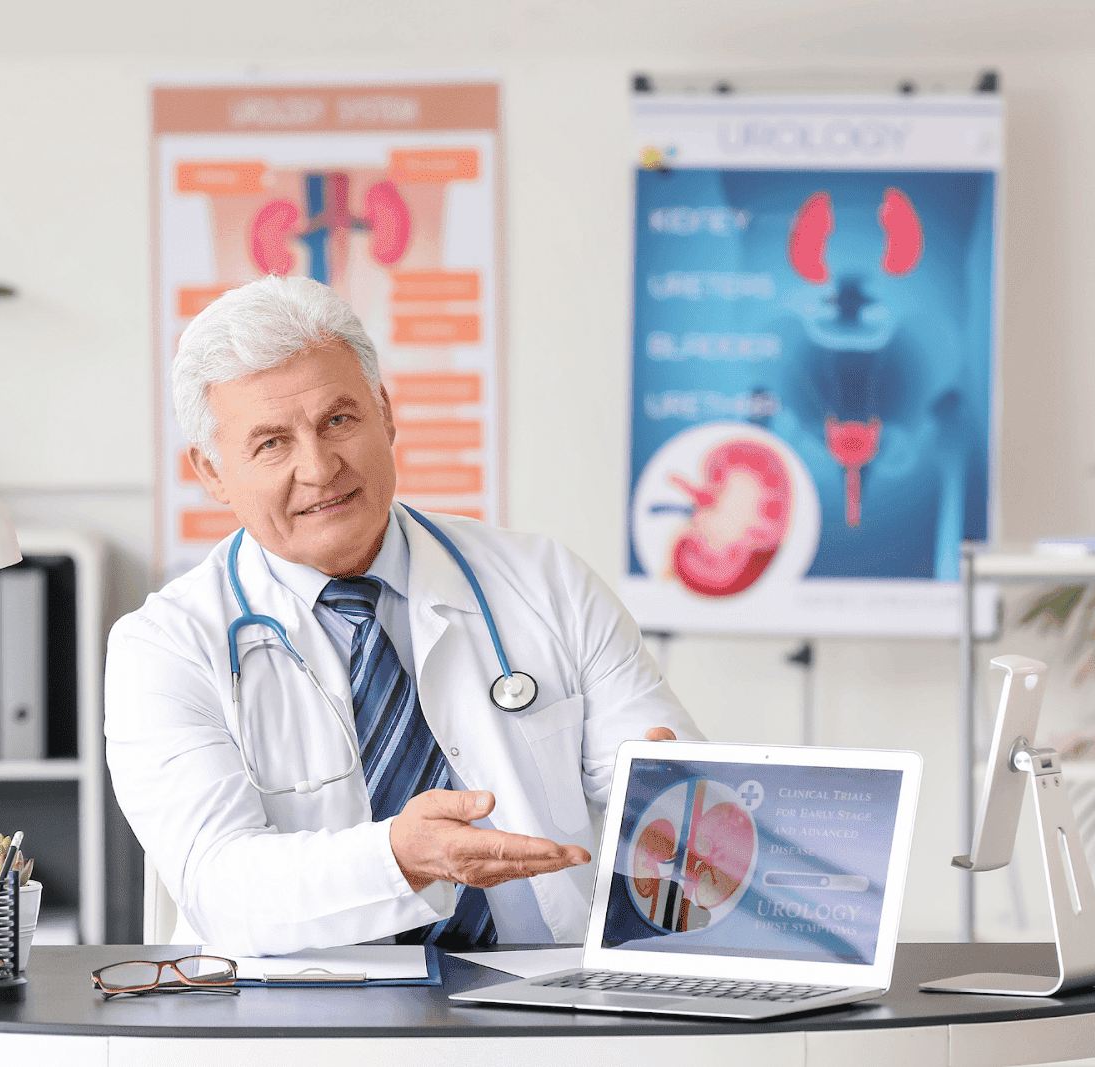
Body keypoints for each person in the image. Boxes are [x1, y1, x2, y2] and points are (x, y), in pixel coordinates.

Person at [106, 275, 699, 955]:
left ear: (385, 414)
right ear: (212, 472)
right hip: (293, 1010)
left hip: (548, 991)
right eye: (272, 443)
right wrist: (399, 859)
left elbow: (668, 803)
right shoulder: (164, 646)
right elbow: (219, 888)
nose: (319, 467)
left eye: (338, 420)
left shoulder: (545, 581)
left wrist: (673, 809)